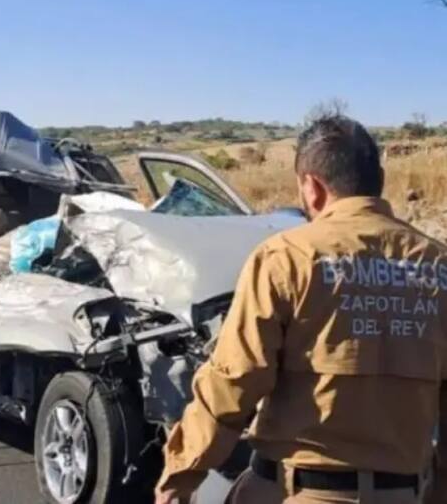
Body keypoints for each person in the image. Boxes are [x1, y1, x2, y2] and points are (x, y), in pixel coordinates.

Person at [154, 115, 446, 504]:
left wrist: (179, 477)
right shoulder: (438, 265)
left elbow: (233, 383)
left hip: (299, 491)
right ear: (377, 178)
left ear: (312, 187)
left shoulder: (286, 259)